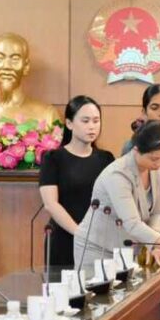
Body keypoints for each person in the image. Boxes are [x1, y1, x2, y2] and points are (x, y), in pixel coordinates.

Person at [75, 120, 160, 267]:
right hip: (97, 249)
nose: (159, 164)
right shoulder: (118, 175)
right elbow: (132, 224)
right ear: (136, 150)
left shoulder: (157, 172)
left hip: (126, 251)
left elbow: (156, 213)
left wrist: (154, 245)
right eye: (154, 158)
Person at [39, 96, 115, 267]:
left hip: (99, 240)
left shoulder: (106, 159)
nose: (92, 126)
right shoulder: (53, 158)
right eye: (85, 121)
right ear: (69, 123)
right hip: (65, 239)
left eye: (96, 121)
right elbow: (51, 204)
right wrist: (80, 233)